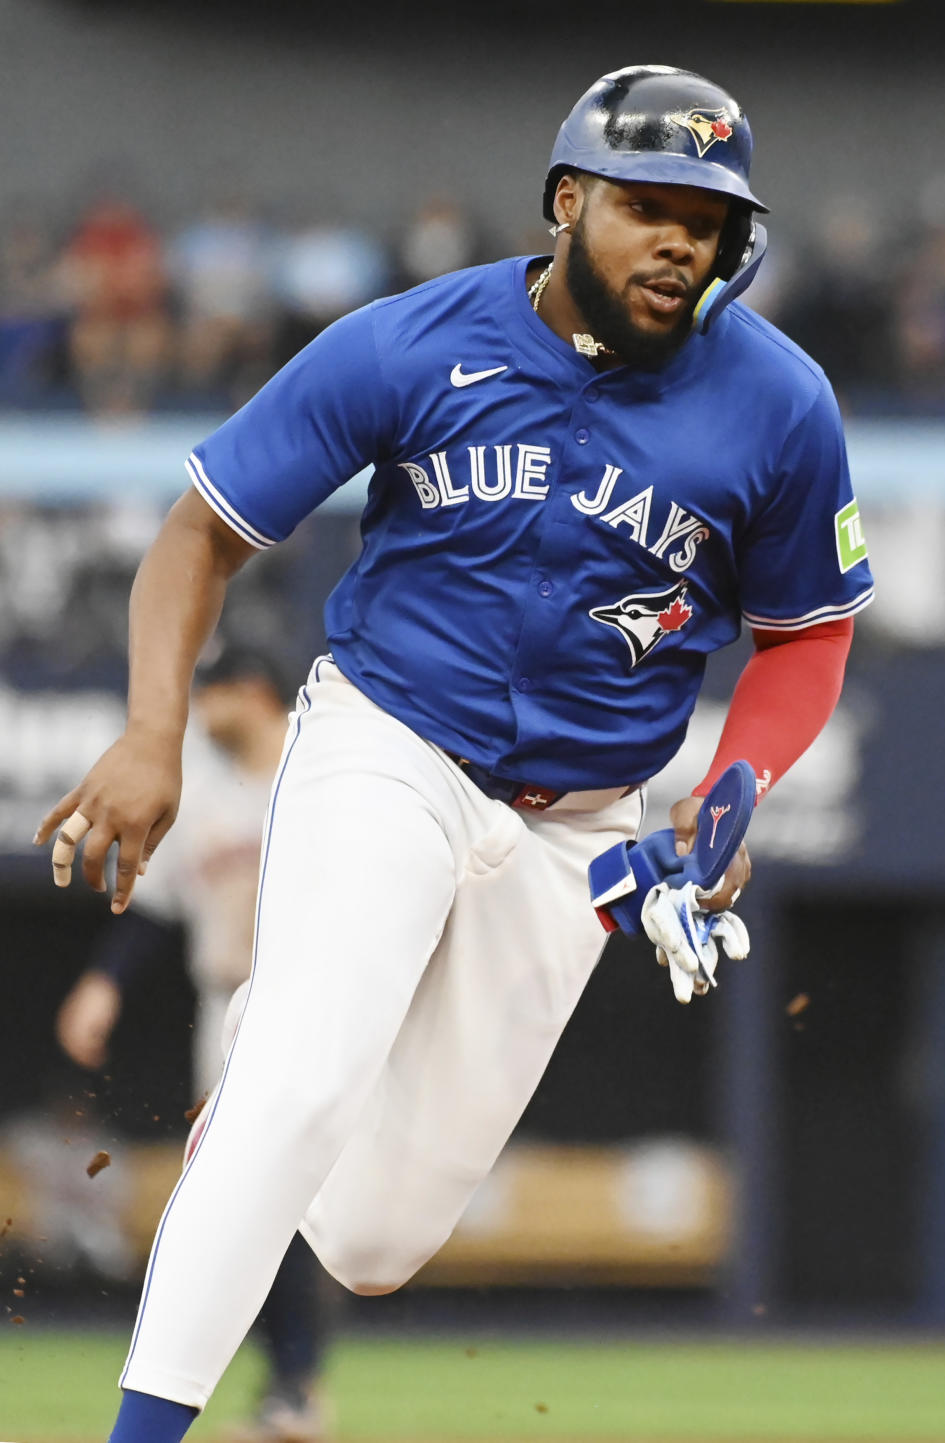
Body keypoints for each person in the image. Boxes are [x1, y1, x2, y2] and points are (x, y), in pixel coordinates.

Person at [35, 65, 874, 1443]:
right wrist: (151, 725)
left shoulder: (780, 402)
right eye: (648, 205)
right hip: (393, 740)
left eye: (708, 220)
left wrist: (734, 786)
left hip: (579, 825)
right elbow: (200, 532)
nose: (680, 241)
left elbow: (806, 636)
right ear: (566, 202)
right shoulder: (413, 341)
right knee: (300, 1089)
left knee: (371, 1234)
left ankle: (263, 1057)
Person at [54, 648, 331, 1442]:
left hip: (322, 1003)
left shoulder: (320, 772)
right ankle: (289, 1389)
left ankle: (295, 1386)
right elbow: (155, 909)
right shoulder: (203, 792)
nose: (200, 708)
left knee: (305, 1208)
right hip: (229, 1009)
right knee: (248, 1200)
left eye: (211, 692)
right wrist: (101, 983)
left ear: (253, 692)